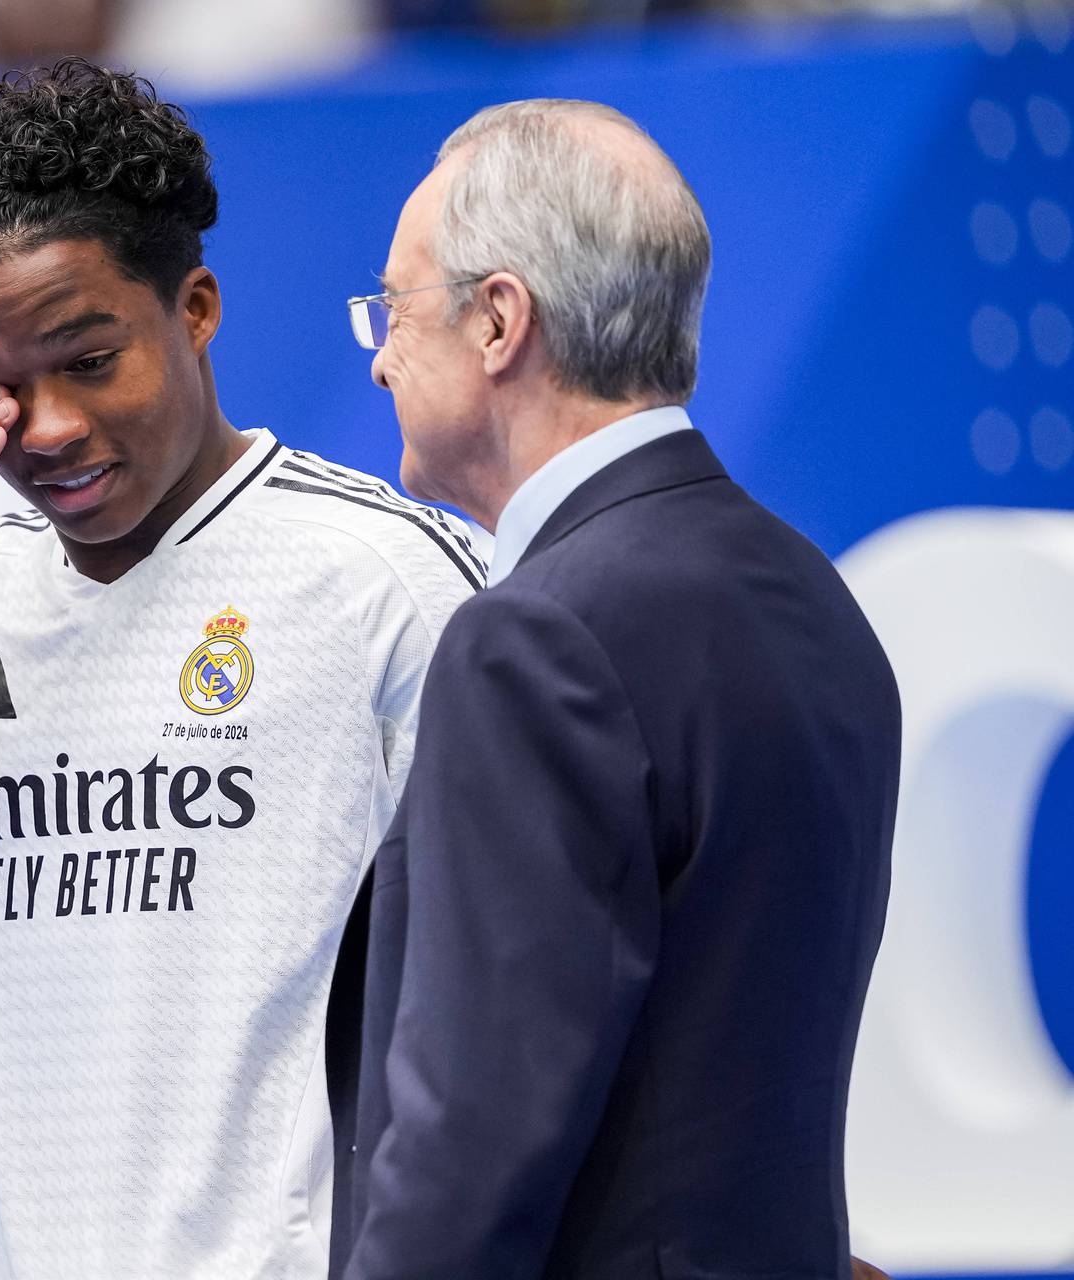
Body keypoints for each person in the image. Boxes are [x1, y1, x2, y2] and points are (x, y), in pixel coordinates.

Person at [0, 59, 482, 1277]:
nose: (47, 429)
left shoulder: (385, 579)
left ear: (195, 307)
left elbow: (558, 983)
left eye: (88, 360)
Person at [328, 100, 900, 1279]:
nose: (380, 353)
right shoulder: (811, 595)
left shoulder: (534, 638)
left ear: (498, 321)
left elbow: (468, 1144)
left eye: (394, 307)